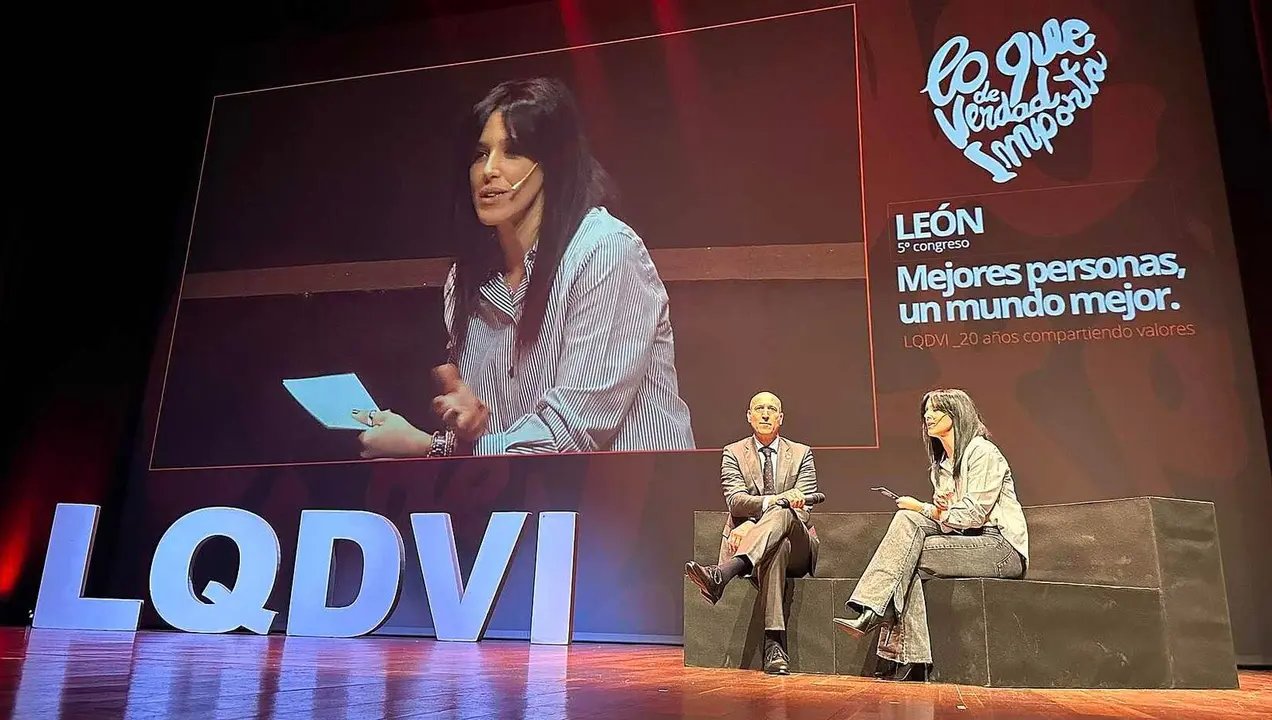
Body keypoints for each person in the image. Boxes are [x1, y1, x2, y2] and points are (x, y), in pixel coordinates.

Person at [352, 77, 695, 457]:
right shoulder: (466, 277)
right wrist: (467, 423)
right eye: (481, 154)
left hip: (642, 502)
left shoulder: (604, 251)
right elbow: (495, 440)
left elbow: (573, 432)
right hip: (532, 502)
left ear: (551, 165)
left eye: (512, 152)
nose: (489, 170)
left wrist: (431, 449)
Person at [833, 388, 1029, 681]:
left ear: (957, 413)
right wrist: (934, 509)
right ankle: (892, 635)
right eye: (926, 410)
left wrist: (927, 508)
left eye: (936, 410)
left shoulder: (981, 451)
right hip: (968, 540)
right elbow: (953, 523)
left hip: (1000, 547)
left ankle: (878, 616)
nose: (928, 415)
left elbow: (973, 515)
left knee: (906, 549)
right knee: (906, 523)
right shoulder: (940, 467)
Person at [684, 392, 820, 675]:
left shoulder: (801, 453)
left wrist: (759, 518)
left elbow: (804, 510)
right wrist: (775, 502)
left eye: (772, 409)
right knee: (777, 546)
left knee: (785, 513)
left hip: (800, 545)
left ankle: (725, 572)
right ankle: (774, 647)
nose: (766, 414)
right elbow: (735, 501)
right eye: (760, 408)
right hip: (772, 546)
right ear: (749, 416)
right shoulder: (733, 452)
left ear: (781, 418)